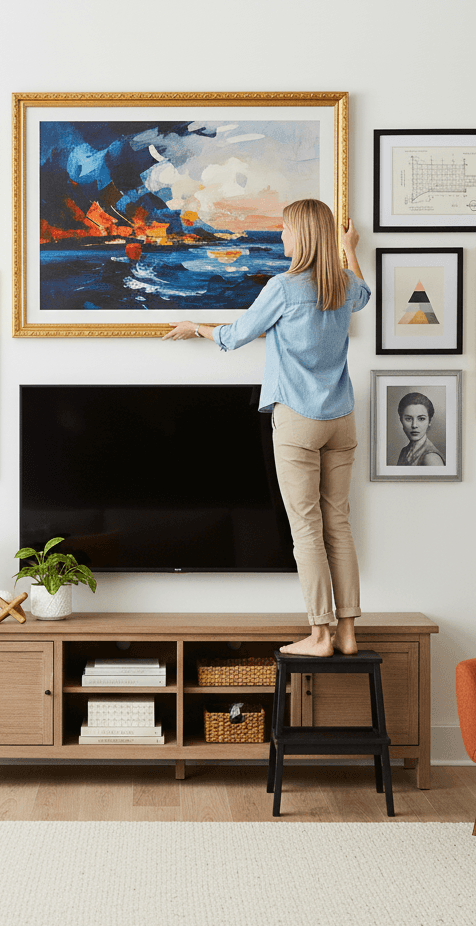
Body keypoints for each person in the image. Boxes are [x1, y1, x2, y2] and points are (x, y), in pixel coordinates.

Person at [163, 199, 370, 657]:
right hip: (341, 419)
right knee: (339, 524)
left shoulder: (284, 287)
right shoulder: (343, 286)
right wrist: (348, 247)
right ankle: (349, 634)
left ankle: (320, 635)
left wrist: (194, 327)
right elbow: (365, 293)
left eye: (285, 230)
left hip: (298, 420)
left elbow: (234, 335)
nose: (280, 238)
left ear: (301, 236)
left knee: (307, 530)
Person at [395, 392, 445, 467]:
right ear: (401, 420)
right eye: (408, 419)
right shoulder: (404, 452)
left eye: (421, 419)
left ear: (429, 421)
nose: (414, 425)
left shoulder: (431, 458)